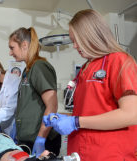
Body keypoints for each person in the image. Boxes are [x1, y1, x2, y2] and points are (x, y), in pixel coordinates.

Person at [43, 9, 137, 161]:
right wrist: (63, 118)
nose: (74, 46)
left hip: (110, 154)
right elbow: (92, 111)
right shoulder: (86, 67)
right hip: (81, 153)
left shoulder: (119, 61)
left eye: (76, 40)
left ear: (91, 35)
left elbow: (131, 114)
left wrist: (75, 122)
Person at [8, 27, 61, 158]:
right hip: (28, 139)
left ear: (24, 45)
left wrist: (41, 139)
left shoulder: (39, 66)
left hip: (43, 139)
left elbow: (52, 105)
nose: (10, 53)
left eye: (12, 47)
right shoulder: (28, 70)